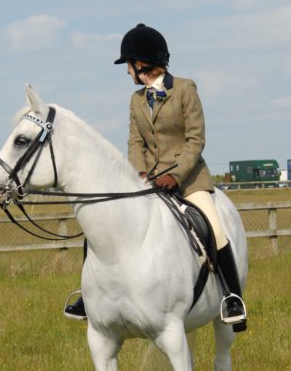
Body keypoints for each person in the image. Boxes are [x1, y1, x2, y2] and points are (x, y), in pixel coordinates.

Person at [65, 23, 246, 332]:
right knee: (101, 228)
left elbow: (195, 140)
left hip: (188, 180)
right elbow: (135, 142)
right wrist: (138, 174)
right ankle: (89, 297)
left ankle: (232, 297)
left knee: (214, 228)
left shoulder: (186, 89)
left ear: (142, 63)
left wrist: (175, 176)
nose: (127, 73)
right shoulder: (136, 100)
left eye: (128, 66)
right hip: (148, 183)